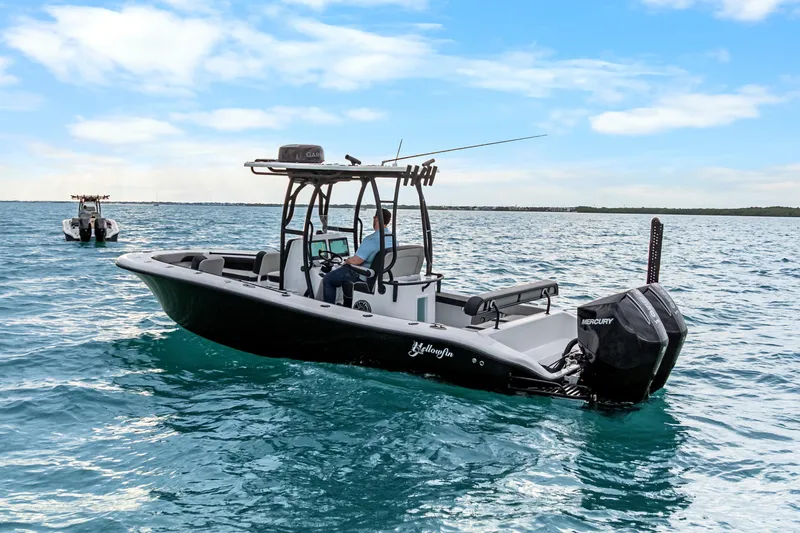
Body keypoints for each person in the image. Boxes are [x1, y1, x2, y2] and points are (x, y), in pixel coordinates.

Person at [322, 209, 394, 304]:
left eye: (374, 217)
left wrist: (347, 261)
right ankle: (347, 305)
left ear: (376, 219)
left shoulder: (371, 239)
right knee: (344, 278)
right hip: (381, 276)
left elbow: (356, 261)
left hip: (364, 275)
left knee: (328, 279)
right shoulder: (393, 238)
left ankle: (328, 309)